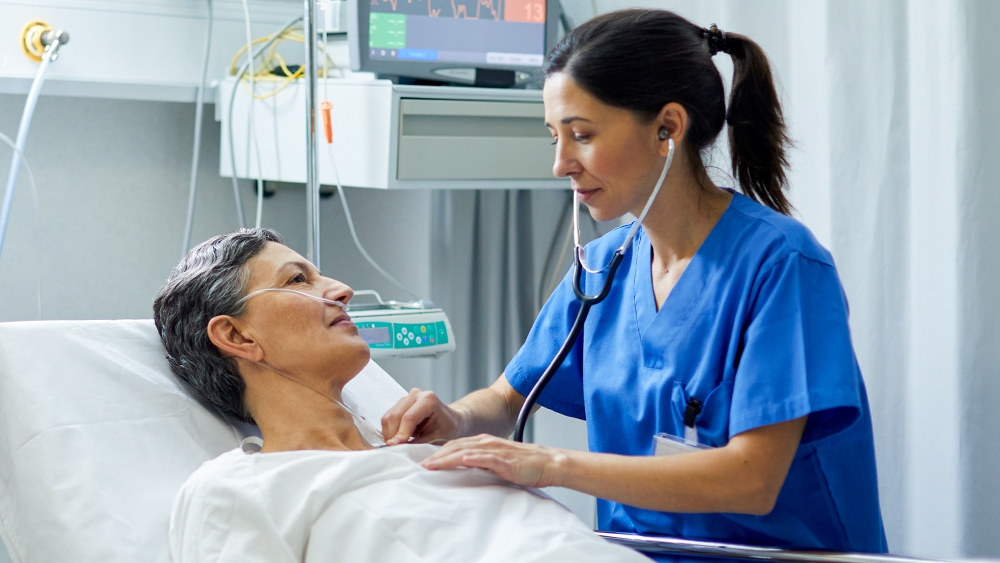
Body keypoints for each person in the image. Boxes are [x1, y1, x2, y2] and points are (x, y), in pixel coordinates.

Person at [380, 8, 888, 556]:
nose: (560, 164)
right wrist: (454, 418)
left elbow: (753, 479)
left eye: (581, 134)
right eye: (553, 137)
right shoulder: (603, 269)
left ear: (667, 128)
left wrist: (552, 465)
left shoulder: (781, 265)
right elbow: (508, 398)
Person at [153, 229, 646, 563]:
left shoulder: (432, 455)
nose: (342, 289)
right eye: (298, 279)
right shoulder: (237, 488)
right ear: (237, 338)